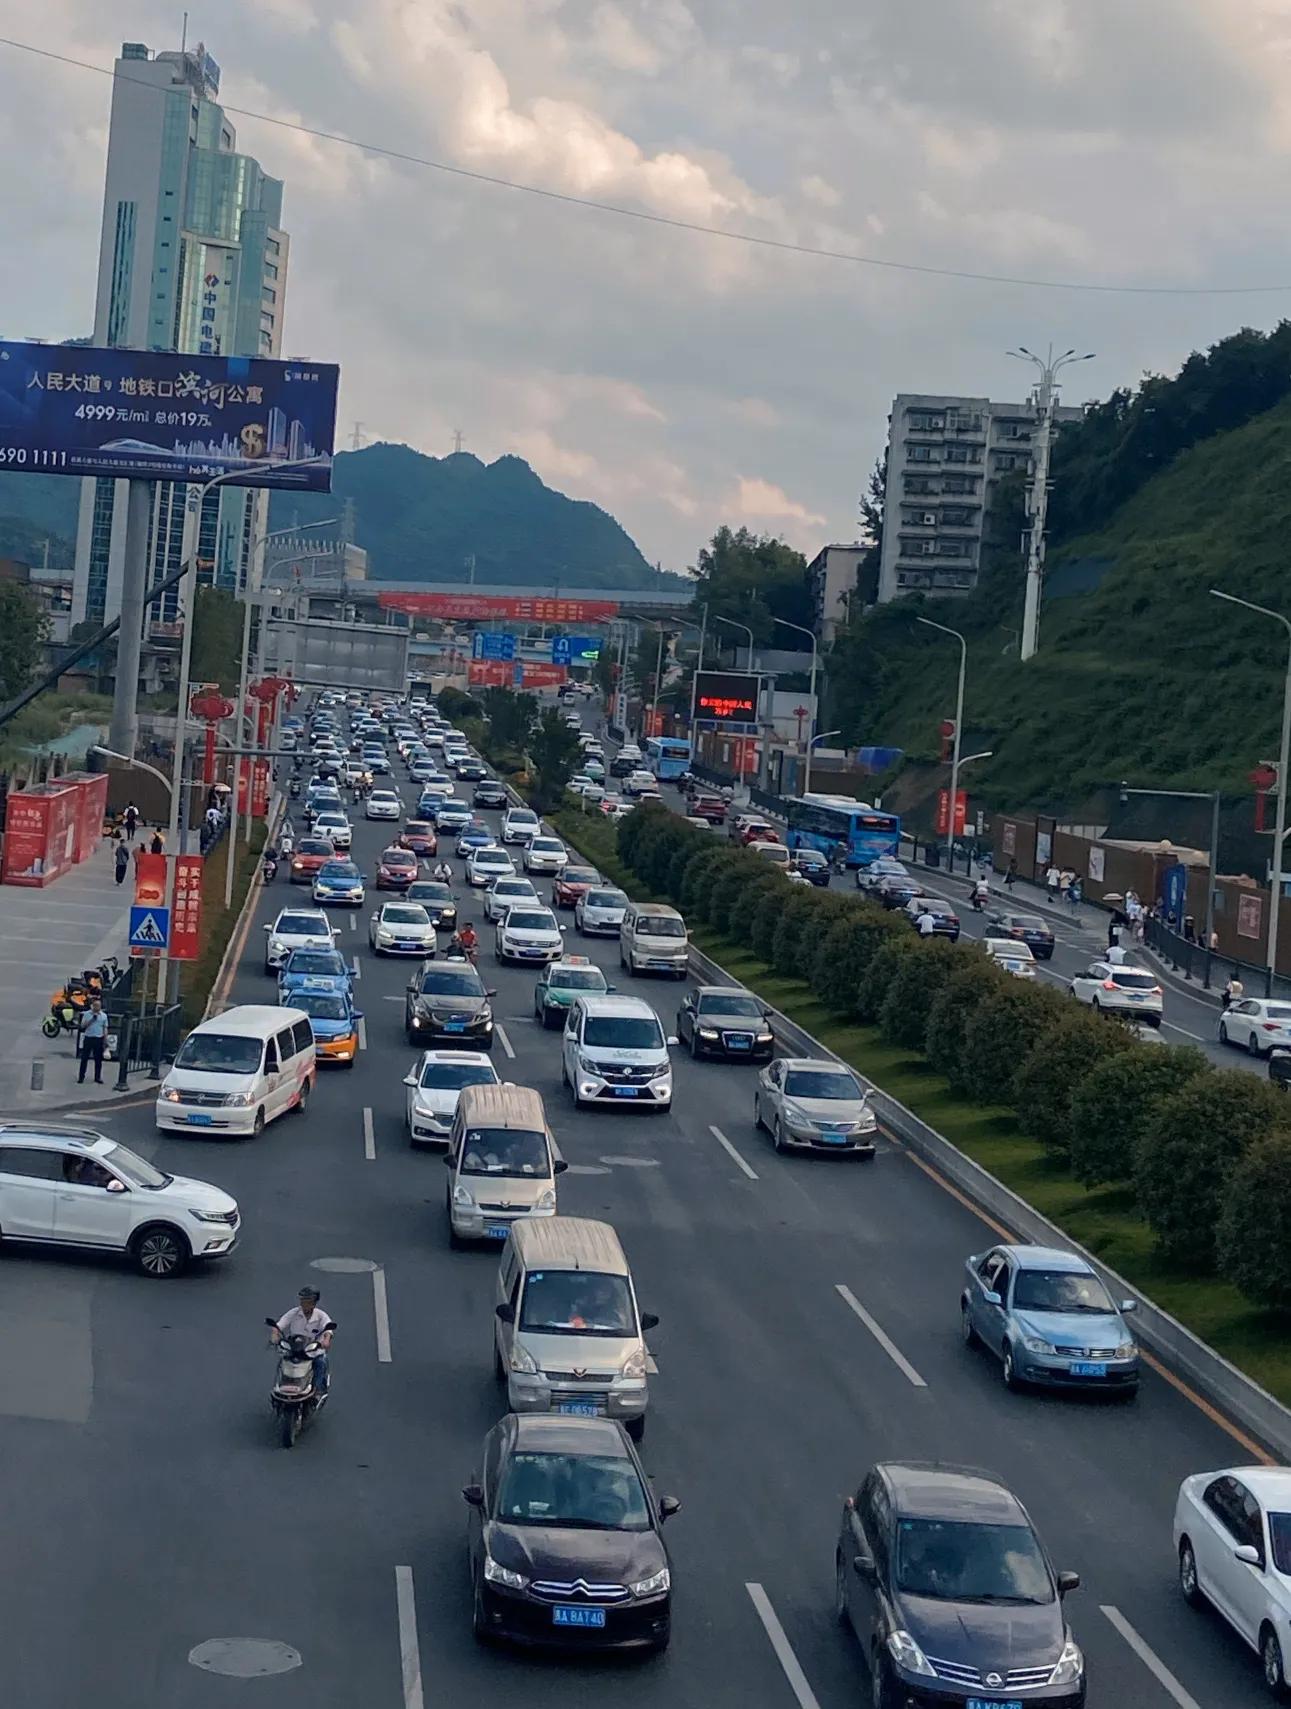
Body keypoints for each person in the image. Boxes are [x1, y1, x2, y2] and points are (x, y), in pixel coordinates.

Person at [270, 1286, 334, 1396]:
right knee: (283, 1362)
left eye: (308, 1301)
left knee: (321, 1362)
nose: (304, 1304)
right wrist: (274, 1335)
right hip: (294, 1349)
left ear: (314, 1303)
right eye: (303, 1301)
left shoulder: (321, 1316)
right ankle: (280, 1385)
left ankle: (318, 1390)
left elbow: (328, 1329)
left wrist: (326, 1340)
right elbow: (279, 1325)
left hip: (312, 1351)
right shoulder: (294, 1313)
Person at [77, 997, 109, 1085]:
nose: (97, 1007)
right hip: (88, 1038)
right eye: (95, 1005)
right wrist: (92, 1019)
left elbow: (105, 1028)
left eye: (98, 1006)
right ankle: (81, 1077)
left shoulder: (104, 1016)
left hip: (98, 1038)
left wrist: (105, 1039)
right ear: (92, 1006)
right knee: (84, 1058)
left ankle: (97, 1077)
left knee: (98, 1059)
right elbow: (83, 1026)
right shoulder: (87, 1014)